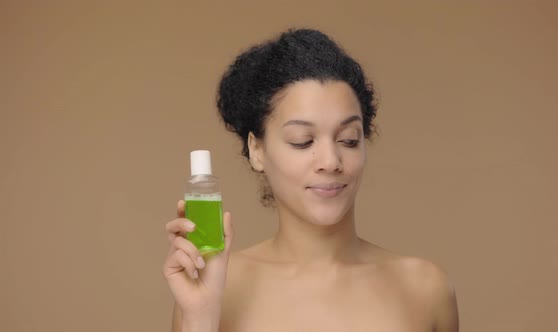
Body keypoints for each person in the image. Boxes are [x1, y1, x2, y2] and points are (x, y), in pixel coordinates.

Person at [163, 28, 459, 332]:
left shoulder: (425, 289)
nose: (331, 162)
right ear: (257, 150)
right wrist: (201, 317)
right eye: (302, 141)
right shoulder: (217, 288)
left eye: (348, 139)